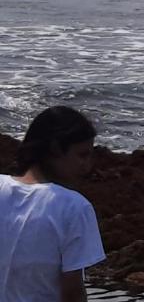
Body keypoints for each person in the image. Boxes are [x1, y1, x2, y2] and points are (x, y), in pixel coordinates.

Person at [0, 106, 106, 301]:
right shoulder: (73, 207)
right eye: (82, 155)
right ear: (55, 148)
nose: (88, 165)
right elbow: (73, 291)